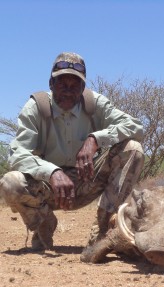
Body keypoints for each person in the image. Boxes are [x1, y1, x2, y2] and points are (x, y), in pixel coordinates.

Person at [0, 52, 144, 258]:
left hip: (88, 180)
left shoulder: (96, 104)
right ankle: (44, 223)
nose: (68, 91)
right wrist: (52, 172)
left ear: (82, 88)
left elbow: (136, 127)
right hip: (49, 188)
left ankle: (103, 229)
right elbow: (17, 154)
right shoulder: (36, 107)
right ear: (51, 83)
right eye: (62, 84)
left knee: (133, 148)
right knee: (10, 183)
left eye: (74, 85)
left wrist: (95, 139)